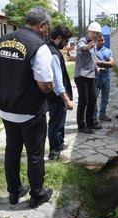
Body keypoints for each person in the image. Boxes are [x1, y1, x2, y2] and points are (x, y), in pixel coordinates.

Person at [0, 7, 54, 209]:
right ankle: (37, 194)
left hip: (7, 109)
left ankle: (14, 191)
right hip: (29, 111)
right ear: (42, 25)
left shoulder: (0, 42)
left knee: (12, 151)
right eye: (48, 27)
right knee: (35, 155)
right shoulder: (39, 46)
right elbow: (45, 85)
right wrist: (52, 87)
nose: (48, 31)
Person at [47, 25, 73, 160]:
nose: (67, 43)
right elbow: (57, 80)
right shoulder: (53, 54)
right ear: (59, 38)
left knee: (59, 122)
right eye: (66, 40)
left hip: (56, 97)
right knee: (55, 124)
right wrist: (66, 99)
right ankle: (54, 152)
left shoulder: (52, 49)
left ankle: (59, 145)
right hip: (55, 97)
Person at [74, 21, 102, 134]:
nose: (95, 35)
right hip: (81, 75)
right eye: (93, 32)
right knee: (83, 100)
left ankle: (90, 122)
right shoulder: (83, 40)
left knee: (92, 99)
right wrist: (87, 46)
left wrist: (97, 68)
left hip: (90, 75)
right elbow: (80, 49)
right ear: (88, 32)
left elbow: (93, 58)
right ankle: (81, 125)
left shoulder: (93, 43)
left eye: (97, 33)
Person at [94, 34, 114, 122]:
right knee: (94, 98)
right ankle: (93, 116)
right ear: (96, 41)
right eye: (99, 40)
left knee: (105, 98)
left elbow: (112, 63)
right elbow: (95, 63)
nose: (101, 42)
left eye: (102, 40)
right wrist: (106, 63)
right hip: (96, 78)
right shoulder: (93, 50)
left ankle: (102, 115)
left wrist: (100, 62)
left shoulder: (108, 51)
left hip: (106, 78)